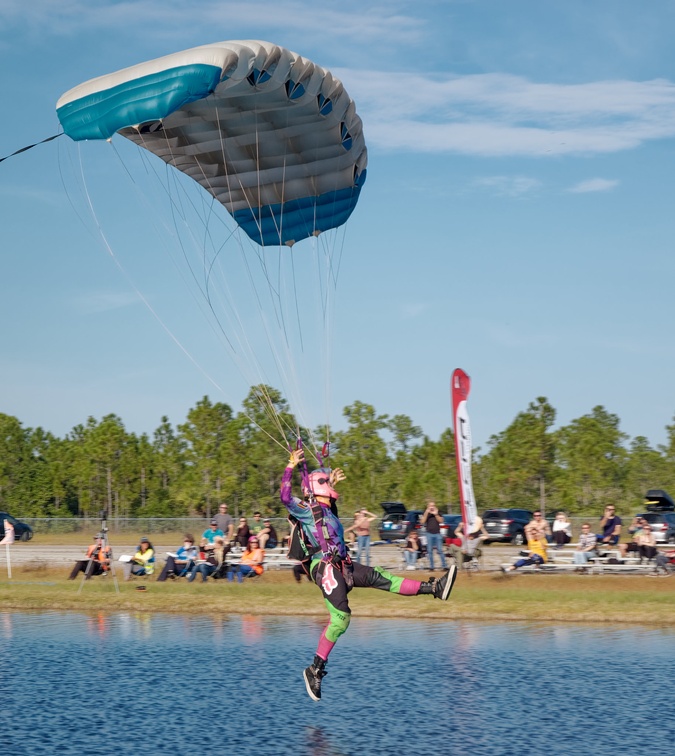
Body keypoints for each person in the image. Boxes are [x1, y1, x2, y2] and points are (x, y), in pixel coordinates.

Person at [281, 449, 457, 701]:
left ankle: (435, 589)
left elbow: (329, 524)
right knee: (341, 618)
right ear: (317, 488)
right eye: (326, 482)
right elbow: (285, 497)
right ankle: (314, 669)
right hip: (326, 568)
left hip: (344, 564)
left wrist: (332, 484)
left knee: (383, 577)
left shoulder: (328, 510)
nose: (331, 485)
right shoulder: (308, 509)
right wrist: (290, 466)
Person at [420, 501, 446, 571]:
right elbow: (422, 522)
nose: (432, 507)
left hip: (437, 533)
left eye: (433, 505)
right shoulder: (426, 513)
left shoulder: (438, 512)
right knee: (429, 551)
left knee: (440, 550)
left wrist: (436, 514)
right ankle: (432, 567)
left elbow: (441, 521)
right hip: (429, 533)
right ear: (428, 506)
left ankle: (444, 566)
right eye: (430, 506)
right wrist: (426, 512)